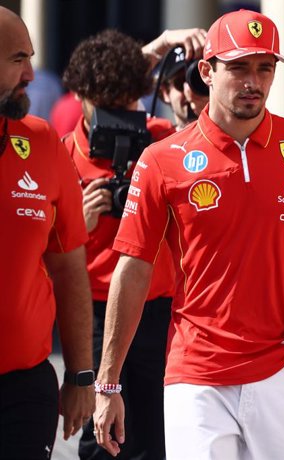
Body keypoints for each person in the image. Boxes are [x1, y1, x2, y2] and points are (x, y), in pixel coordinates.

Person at [92, 9, 284, 460]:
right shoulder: (162, 159)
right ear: (207, 71)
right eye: (239, 67)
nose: (254, 81)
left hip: (280, 365)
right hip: (196, 372)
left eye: (265, 67)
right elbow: (132, 270)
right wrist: (107, 383)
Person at [60, 27, 205, 460]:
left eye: (129, 102)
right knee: (102, 438)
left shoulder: (160, 138)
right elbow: (43, 257)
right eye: (109, 106)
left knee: (161, 434)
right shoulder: (64, 153)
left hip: (160, 307)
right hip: (96, 313)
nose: (121, 114)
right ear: (83, 99)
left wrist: (161, 47)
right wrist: (78, 224)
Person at [0, 6, 95, 459]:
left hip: (24, 390)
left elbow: (70, 269)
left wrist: (80, 375)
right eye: (18, 58)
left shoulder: (43, 144)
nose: (31, 74)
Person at [155, 45, 209, 130]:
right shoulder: (156, 137)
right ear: (165, 92)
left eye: (198, 80)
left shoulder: (233, 137)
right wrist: (164, 41)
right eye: (179, 83)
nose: (189, 91)